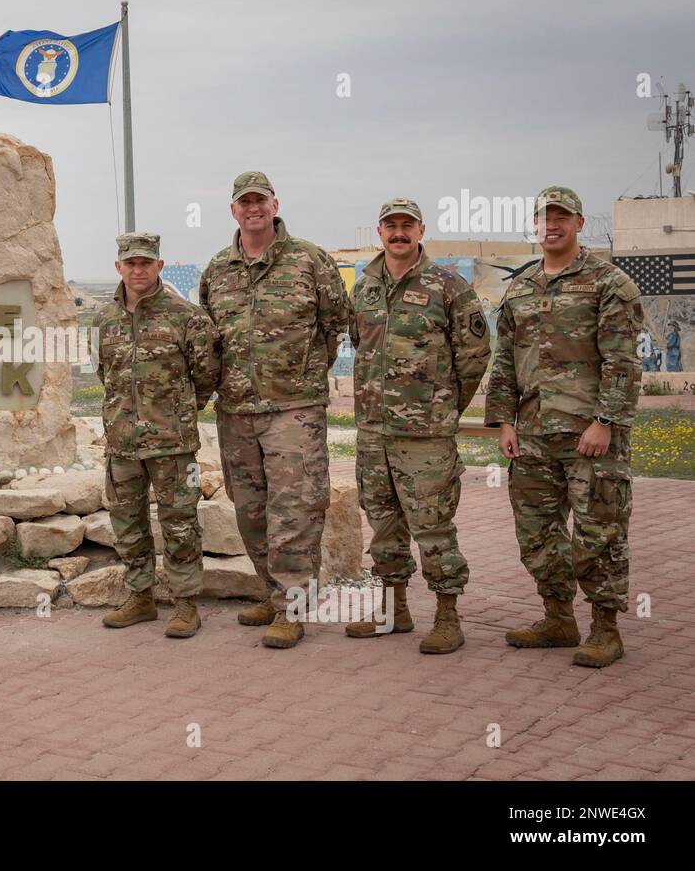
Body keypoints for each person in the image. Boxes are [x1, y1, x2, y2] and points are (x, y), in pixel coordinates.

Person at [485, 186, 643, 668]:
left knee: (599, 532)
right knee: (536, 533)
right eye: (544, 217)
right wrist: (503, 421)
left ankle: (605, 628)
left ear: (579, 222)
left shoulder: (609, 283)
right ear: (536, 225)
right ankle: (558, 617)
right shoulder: (521, 288)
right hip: (531, 434)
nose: (551, 224)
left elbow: (622, 362)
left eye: (562, 216)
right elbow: (506, 361)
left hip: (589, 436)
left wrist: (605, 422)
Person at [199, 171, 350, 648]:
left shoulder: (309, 260)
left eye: (260, 200)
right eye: (244, 202)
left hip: (294, 409)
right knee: (250, 509)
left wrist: (303, 373)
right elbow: (208, 340)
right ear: (233, 210)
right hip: (236, 410)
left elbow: (335, 323)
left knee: (295, 508)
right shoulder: (217, 269)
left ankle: (294, 605)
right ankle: (271, 591)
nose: (253, 208)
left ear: (275, 204)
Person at [343, 198, 490, 653]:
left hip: (426, 437)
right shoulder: (364, 288)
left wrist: (444, 407)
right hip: (373, 433)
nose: (399, 233)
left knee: (433, 526)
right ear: (380, 231)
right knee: (383, 526)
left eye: (407, 225)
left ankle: (448, 617)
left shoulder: (449, 287)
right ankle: (393, 612)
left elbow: (474, 354)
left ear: (421, 230)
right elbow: (358, 344)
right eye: (391, 226)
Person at [94, 233, 221, 638]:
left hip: (173, 444)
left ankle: (185, 604)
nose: (138, 270)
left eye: (146, 263)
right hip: (122, 443)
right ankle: (141, 598)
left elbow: (206, 376)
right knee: (127, 523)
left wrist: (176, 412)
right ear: (118, 268)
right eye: (130, 263)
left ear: (159, 266)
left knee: (179, 524)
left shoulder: (187, 317)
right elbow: (105, 374)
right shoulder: (104, 320)